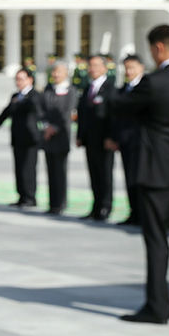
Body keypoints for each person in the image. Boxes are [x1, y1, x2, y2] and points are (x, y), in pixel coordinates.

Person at [111, 25, 169, 324]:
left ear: (158, 49)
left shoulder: (154, 83)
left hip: (158, 173)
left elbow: (120, 106)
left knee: (156, 241)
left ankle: (157, 306)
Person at [0, 68, 45, 208]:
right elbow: (6, 112)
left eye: (21, 79)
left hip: (30, 138)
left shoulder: (34, 95)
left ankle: (30, 197)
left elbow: (36, 110)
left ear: (30, 80)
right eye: (17, 79)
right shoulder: (15, 95)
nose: (18, 82)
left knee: (29, 168)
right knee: (19, 168)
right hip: (17, 137)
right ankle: (21, 196)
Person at [76, 54, 115, 221]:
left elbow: (113, 116)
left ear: (104, 68)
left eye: (96, 65)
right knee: (93, 173)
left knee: (105, 174)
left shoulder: (110, 88)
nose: (92, 69)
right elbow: (82, 114)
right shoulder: (88, 88)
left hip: (104, 140)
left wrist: (111, 137)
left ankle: (105, 206)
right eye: (90, 65)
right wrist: (80, 136)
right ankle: (96, 206)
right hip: (90, 139)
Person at [110, 55, 145, 226]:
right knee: (129, 177)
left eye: (132, 67)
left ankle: (143, 213)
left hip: (143, 142)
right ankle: (134, 212)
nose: (128, 72)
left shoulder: (147, 88)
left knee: (141, 178)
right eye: (126, 68)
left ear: (141, 68)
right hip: (126, 141)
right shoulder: (123, 89)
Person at [41, 62, 77, 215]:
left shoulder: (72, 91)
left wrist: (55, 128)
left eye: (59, 72)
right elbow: (41, 110)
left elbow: (68, 113)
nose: (55, 75)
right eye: (54, 72)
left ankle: (61, 202)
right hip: (48, 137)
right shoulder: (48, 90)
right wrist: (46, 126)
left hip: (61, 136)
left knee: (60, 171)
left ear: (66, 73)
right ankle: (52, 203)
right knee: (50, 171)